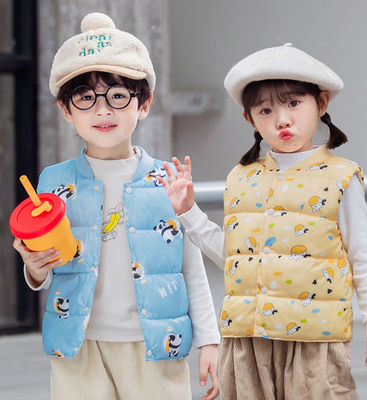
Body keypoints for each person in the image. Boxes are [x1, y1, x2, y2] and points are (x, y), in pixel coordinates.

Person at [158, 43, 367, 399]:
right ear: (249, 119)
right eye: (265, 110)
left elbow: (364, 258)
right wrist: (188, 211)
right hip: (247, 341)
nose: (281, 119)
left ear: (322, 103)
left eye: (293, 103)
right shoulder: (241, 177)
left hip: (313, 340)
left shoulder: (341, 178)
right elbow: (235, 258)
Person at [12, 12, 220, 400]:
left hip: (155, 346)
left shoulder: (167, 181)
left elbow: (191, 268)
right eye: (85, 97)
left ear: (144, 103)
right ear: (65, 109)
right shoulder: (54, 184)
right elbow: (49, 270)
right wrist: (34, 270)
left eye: (118, 95)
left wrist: (210, 340)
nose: (103, 110)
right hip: (78, 348)